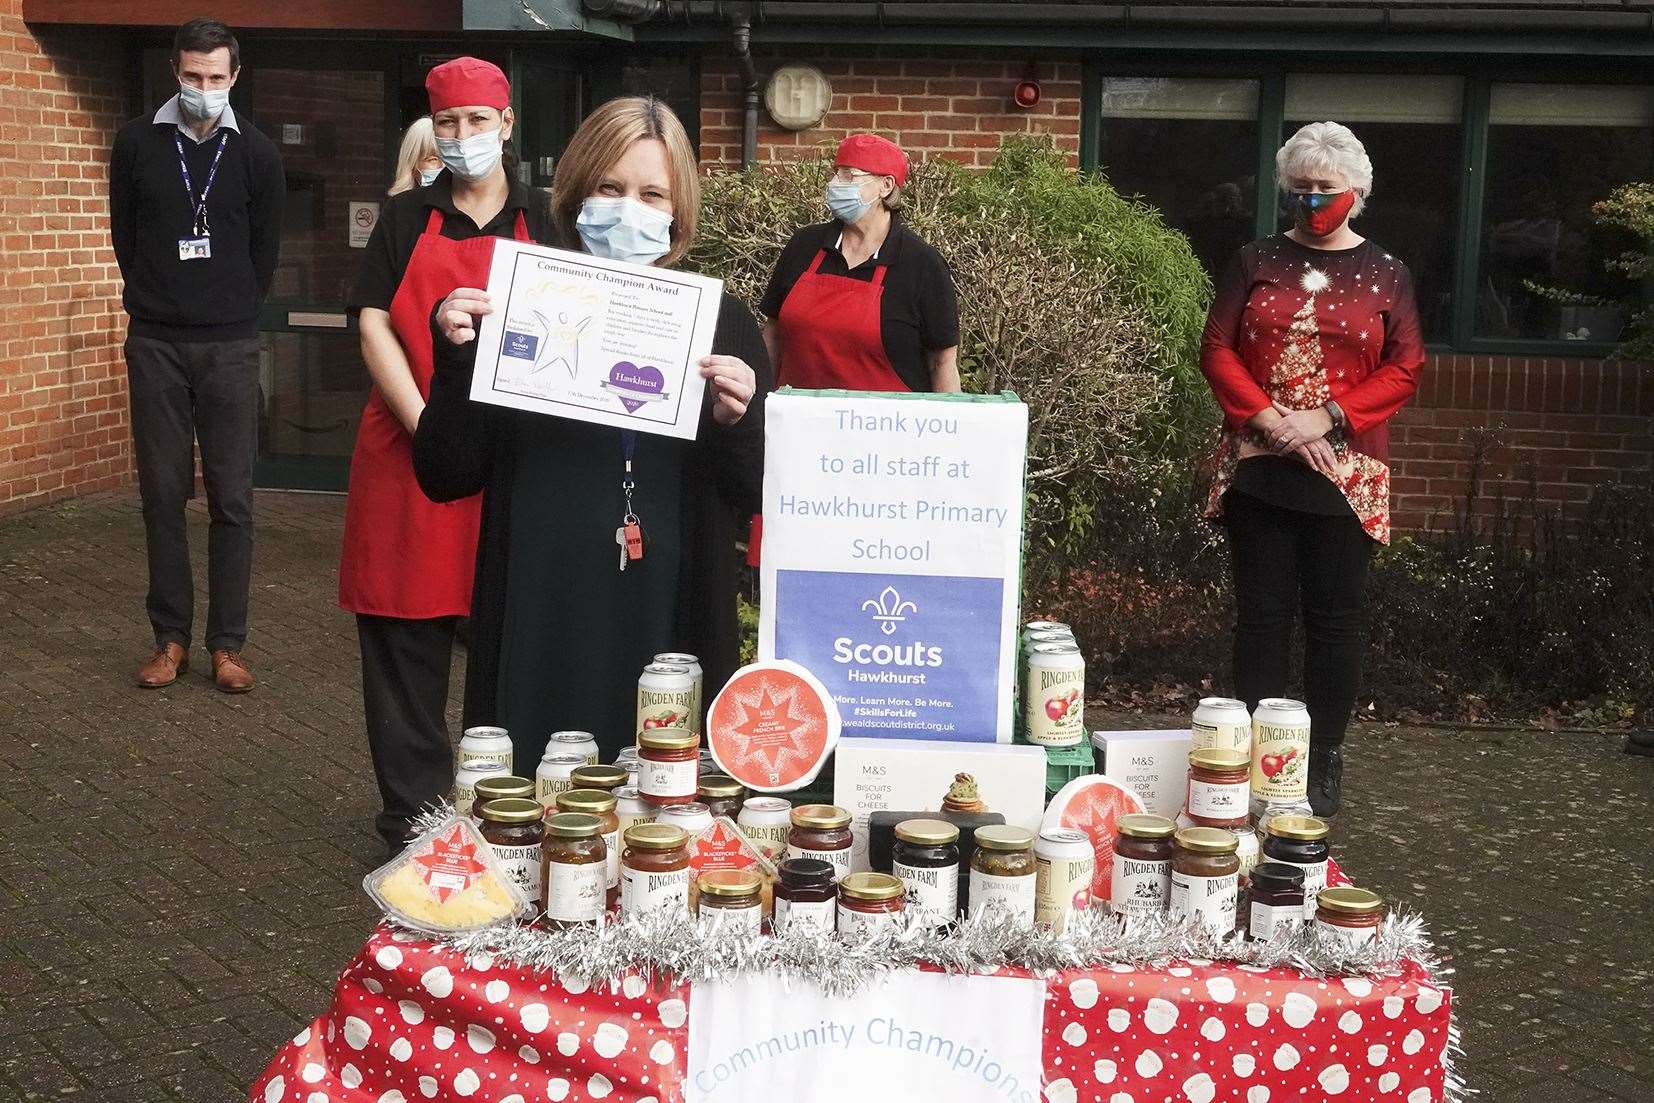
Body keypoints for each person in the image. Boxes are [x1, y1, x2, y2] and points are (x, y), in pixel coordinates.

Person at [413, 96, 769, 773]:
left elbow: (755, 490)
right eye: (610, 187)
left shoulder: (725, 323)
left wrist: (738, 421)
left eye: (651, 193)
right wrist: (456, 363)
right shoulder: (519, 302)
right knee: (533, 793)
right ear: (577, 193)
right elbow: (445, 473)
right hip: (541, 603)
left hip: (668, 607)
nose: (628, 207)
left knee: (661, 793)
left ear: (678, 210)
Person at [340, 59, 538, 852]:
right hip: (405, 449)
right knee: (402, 648)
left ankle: (513, 814)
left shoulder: (546, 221)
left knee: (507, 636)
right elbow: (370, 322)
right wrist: (428, 426)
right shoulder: (402, 219)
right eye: (448, 124)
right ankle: (414, 823)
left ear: (508, 124)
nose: (462, 138)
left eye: (478, 123)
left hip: (512, 465)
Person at [1199, 121, 1425, 817]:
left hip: (1347, 473)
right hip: (1260, 464)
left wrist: (1325, 417)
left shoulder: (1388, 273)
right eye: (1298, 190)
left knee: (1334, 621)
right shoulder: (1253, 260)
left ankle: (1321, 755)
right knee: (1260, 618)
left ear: (1355, 193)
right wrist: (1271, 419)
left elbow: (1406, 365)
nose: (1310, 202)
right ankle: (1247, 756)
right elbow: (1216, 347)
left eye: (1323, 190)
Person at [110, 17, 284, 693]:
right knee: (160, 494)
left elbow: (264, 249)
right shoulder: (135, 144)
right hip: (155, 340)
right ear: (175, 72)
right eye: (192, 76)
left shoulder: (258, 154)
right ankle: (171, 638)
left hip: (231, 343)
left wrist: (232, 303)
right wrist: (156, 298)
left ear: (234, 78)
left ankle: (227, 644)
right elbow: (126, 234)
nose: (203, 89)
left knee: (233, 498)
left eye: (216, 78)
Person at [760, 133, 961, 393]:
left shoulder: (921, 264)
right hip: (798, 423)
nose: (834, 184)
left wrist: (945, 429)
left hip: (887, 427)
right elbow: (772, 335)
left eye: (848, 176)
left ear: (886, 186)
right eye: (835, 174)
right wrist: (759, 408)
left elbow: (941, 362)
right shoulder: (804, 246)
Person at [388, 116, 444, 196]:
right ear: (412, 164)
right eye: (433, 159)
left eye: (449, 158)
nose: (444, 167)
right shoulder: (399, 207)